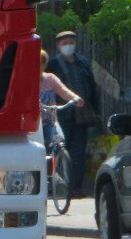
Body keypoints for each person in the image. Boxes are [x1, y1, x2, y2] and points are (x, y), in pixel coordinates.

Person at [46, 31, 101, 195]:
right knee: (58, 150)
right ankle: (57, 186)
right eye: (64, 44)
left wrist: (97, 110)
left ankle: (76, 188)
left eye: (71, 42)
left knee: (78, 152)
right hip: (61, 115)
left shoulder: (83, 63)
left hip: (80, 116)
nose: (68, 46)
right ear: (58, 46)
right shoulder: (53, 65)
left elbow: (92, 87)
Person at [40, 49, 82, 154]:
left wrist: (75, 98)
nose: (38, 66)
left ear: (45, 65)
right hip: (35, 125)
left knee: (59, 142)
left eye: (41, 63)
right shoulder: (26, 80)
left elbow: (64, 91)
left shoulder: (50, 78)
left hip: (50, 122)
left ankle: (59, 161)